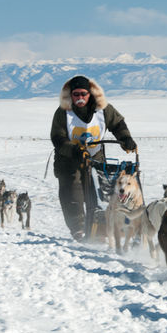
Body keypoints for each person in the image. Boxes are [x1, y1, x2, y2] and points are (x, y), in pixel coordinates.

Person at [50, 75, 137, 240]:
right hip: (69, 159)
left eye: (83, 93)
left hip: (95, 156)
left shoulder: (103, 109)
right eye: (76, 94)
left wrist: (126, 139)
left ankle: (102, 228)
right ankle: (78, 229)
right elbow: (58, 138)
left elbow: (118, 124)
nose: (80, 98)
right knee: (73, 192)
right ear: (70, 95)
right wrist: (75, 150)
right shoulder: (63, 112)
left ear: (90, 94)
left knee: (102, 192)